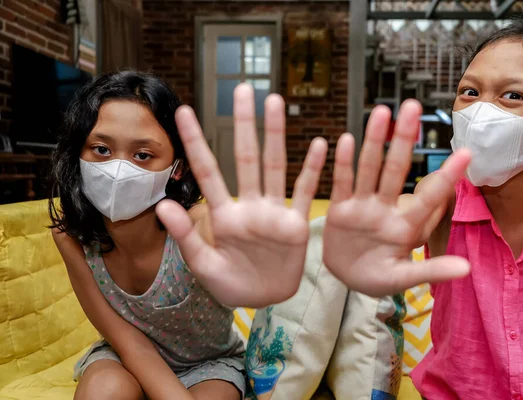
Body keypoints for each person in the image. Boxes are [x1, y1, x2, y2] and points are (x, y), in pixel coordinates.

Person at [322, 21, 523, 399]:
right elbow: (414, 211)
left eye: (512, 96)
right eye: (469, 92)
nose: (479, 113)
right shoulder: (444, 197)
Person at [48, 71, 327, 400]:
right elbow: (128, 341)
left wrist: (255, 254)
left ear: (177, 167)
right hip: (123, 357)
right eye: (101, 149)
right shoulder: (71, 238)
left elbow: (215, 230)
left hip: (210, 364)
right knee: (102, 391)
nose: (118, 170)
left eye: (142, 155)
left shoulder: (193, 226)